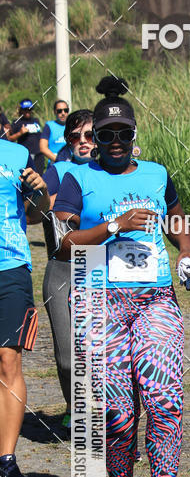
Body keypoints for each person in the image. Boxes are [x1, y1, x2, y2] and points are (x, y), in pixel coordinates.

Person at [53, 76, 190, 477]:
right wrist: (115, 225)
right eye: (105, 136)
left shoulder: (156, 174)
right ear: (94, 139)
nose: (115, 144)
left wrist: (186, 252)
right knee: (119, 413)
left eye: (123, 135)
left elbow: (176, 215)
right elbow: (64, 244)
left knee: (164, 400)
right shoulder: (78, 178)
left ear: (134, 136)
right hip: (100, 301)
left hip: (156, 298)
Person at [0, 134, 50, 477]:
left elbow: (36, 214)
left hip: (11, 268)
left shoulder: (18, 154)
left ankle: (6, 460)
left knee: (8, 360)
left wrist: (40, 190)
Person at [41, 109, 94, 429]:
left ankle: (115, 423)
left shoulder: (109, 171)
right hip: (63, 267)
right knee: (66, 356)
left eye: (90, 135)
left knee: (106, 354)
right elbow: (42, 206)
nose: (84, 142)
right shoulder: (58, 169)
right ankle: (75, 406)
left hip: (102, 268)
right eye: (76, 137)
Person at [7, 99, 44, 175]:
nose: (27, 111)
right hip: (26, 155)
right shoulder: (17, 122)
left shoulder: (36, 120)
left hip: (38, 155)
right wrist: (20, 133)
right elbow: (9, 139)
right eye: (25, 109)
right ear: (21, 110)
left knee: (39, 176)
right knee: (27, 178)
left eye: (29, 109)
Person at [39, 99, 69, 164]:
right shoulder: (49, 126)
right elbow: (43, 148)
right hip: (55, 164)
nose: (63, 113)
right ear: (55, 112)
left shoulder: (72, 126)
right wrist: (58, 160)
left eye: (66, 110)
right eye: (59, 111)